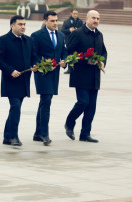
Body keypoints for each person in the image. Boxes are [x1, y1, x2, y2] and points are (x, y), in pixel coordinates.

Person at [64, 10, 107, 143]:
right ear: (87, 19)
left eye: (98, 18)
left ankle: (85, 134)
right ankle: (69, 122)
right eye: (93, 18)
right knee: (83, 102)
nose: (96, 21)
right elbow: (69, 52)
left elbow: (104, 52)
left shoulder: (99, 35)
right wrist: (84, 60)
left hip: (94, 75)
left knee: (91, 106)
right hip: (81, 74)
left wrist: (102, 62)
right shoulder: (78, 33)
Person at [0, 15, 36, 146]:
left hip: (24, 80)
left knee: (15, 109)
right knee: (16, 107)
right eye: (20, 24)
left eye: (24, 24)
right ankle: (13, 136)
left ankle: (7, 137)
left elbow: (33, 57)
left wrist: (35, 65)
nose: (23, 27)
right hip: (10, 80)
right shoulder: (3, 40)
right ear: (12, 26)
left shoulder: (28, 40)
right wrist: (10, 70)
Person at [31, 11, 67, 146]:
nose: (55, 23)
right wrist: (45, 64)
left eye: (56, 20)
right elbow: (33, 54)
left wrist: (64, 61)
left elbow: (63, 51)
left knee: (45, 101)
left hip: (55, 74)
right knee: (46, 100)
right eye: (52, 21)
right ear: (45, 21)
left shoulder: (61, 35)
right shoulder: (37, 35)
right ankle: (44, 134)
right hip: (42, 73)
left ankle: (37, 133)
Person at [61, 9, 83, 74]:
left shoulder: (80, 21)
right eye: (74, 13)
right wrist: (69, 30)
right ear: (71, 13)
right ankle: (69, 69)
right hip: (69, 41)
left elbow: (83, 29)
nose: (75, 15)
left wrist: (78, 30)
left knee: (77, 55)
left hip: (78, 41)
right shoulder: (66, 21)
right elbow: (63, 30)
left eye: (76, 13)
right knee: (69, 54)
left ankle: (77, 68)